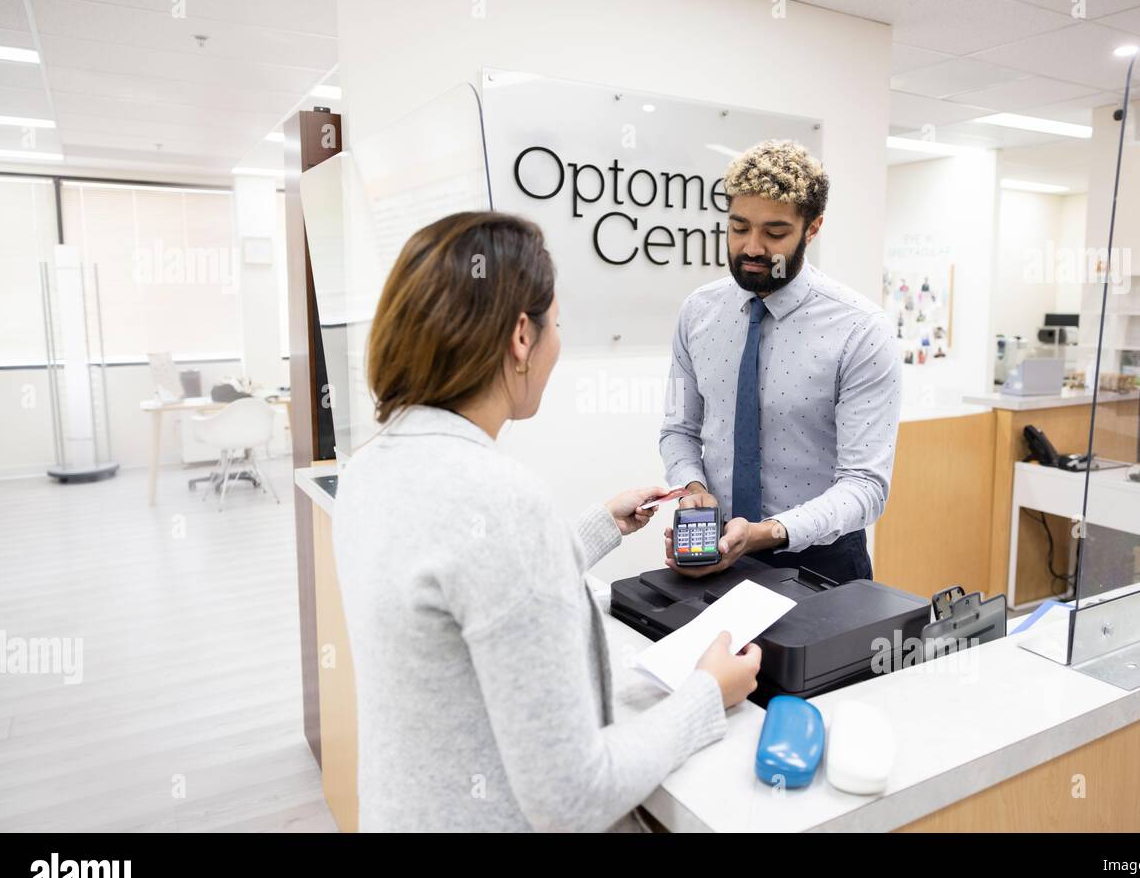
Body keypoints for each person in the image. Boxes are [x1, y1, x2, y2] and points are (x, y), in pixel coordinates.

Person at [332, 211, 761, 832]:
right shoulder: (501, 499)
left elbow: (466, 579)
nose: (559, 345)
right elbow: (574, 797)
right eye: (556, 325)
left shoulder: (373, 465)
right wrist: (706, 695)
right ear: (520, 338)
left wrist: (599, 526)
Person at [660, 139, 902, 584]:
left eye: (774, 233)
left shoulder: (862, 329)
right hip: (717, 550)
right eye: (738, 227)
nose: (751, 247)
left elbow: (866, 486)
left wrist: (768, 533)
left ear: (812, 229)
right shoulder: (698, 312)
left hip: (820, 561)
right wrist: (693, 490)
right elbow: (678, 428)